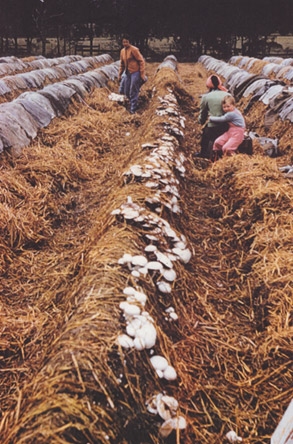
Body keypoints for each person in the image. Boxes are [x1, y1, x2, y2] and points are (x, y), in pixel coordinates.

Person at [196, 75, 230, 159]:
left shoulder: (206, 97)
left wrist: (201, 121)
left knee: (205, 136)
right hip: (226, 127)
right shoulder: (228, 95)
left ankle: (204, 153)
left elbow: (203, 114)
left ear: (208, 86)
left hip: (213, 127)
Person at [118, 37, 146, 114]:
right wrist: (120, 74)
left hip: (135, 72)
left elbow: (141, 61)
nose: (125, 44)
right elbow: (122, 64)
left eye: (126, 42)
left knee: (133, 91)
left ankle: (133, 110)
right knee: (126, 91)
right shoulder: (122, 51)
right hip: (128, 73)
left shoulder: (134, 50)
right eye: (123, 42)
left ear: (129, 42)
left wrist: (142, 73)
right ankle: (133, 104)